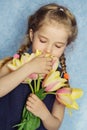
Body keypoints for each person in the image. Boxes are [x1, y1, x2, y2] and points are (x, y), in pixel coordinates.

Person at [0, 3, 78, 130]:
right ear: (32, 35)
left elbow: (55, 125)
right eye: (43, 40)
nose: (48, 50)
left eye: (57, 46)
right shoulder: (14, 64)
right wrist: (28, 68)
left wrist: (44, 114)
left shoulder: (60, 81)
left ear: (65, 46)